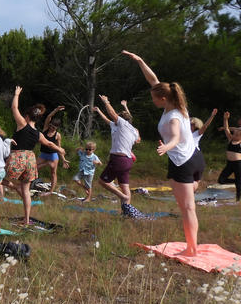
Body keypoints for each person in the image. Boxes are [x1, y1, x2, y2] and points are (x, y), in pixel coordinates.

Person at [123, 50, 203, 256]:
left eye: (154, 98)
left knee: (187, 209)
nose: (153, 100)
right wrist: (140, 60)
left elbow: (175, 136)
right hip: (195, 158)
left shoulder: (173, 116)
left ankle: (191, 249)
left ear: (164, 98)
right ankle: (192, 243)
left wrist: (167, 146)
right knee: (187, 203)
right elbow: (154, 80)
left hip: (182, 162)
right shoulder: (178, 105)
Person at [3, 87, 66, 225]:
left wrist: (16, 94)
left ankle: (13, 187)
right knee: (26, 190)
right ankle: (26, 220)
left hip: (18, 157)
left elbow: (14, 107)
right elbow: (49, 144)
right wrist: (60, 149)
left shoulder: (22, 124)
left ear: (27, 116)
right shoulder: (38, 134)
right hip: (30, 159)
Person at [92, 94, 140, 210]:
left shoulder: (122, 124)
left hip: (118, 159)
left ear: (122, 119)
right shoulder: (133, 131)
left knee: (103, 181)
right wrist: (99, 111)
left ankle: (123, 197)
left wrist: (106, 102)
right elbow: (109, 120)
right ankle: (127, 211)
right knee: (124, 186)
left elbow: (112, 114)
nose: (116, 119)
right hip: (127, 161)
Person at [36, 105, 70, 194]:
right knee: (34, 168)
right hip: (43, 154)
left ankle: (50, 192)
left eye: (54, 127)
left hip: (53, 155)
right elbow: (49, 117)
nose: (51, 128)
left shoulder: (58, 135)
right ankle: (46, 163)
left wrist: (63, 160)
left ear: (57, 128)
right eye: (51, 126)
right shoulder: (46, 128)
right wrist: (56, 109)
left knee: (53, 173)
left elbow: (59, 148)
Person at [217, 111, 241, 202]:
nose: (235, 134)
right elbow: (227, 129)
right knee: (221, 180)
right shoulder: (230, 139)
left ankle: (238, 199)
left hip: (238, 164)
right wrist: (225, 119)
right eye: (234, 133)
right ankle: (238, 181)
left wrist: (236, 129)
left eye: (237, 133)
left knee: (239, 184)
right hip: (229, 164)